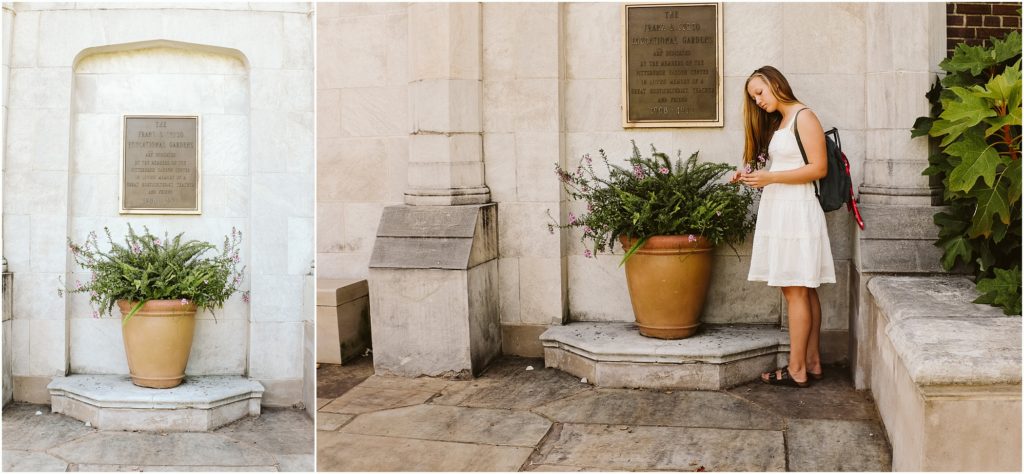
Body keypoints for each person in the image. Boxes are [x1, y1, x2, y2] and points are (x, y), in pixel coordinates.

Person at [732, 65, 836, 388]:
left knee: (795, 291)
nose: (758, 101)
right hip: (783, 210)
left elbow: (818, 168)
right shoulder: (782, 121)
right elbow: (786, 165)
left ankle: (796, 369)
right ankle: (813, 362)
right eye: (753, 98)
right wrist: (753, 176)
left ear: (775, 82)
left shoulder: (804, 116)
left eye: (759, 92)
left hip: (797, 212)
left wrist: (771, 177)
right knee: (802, 288)